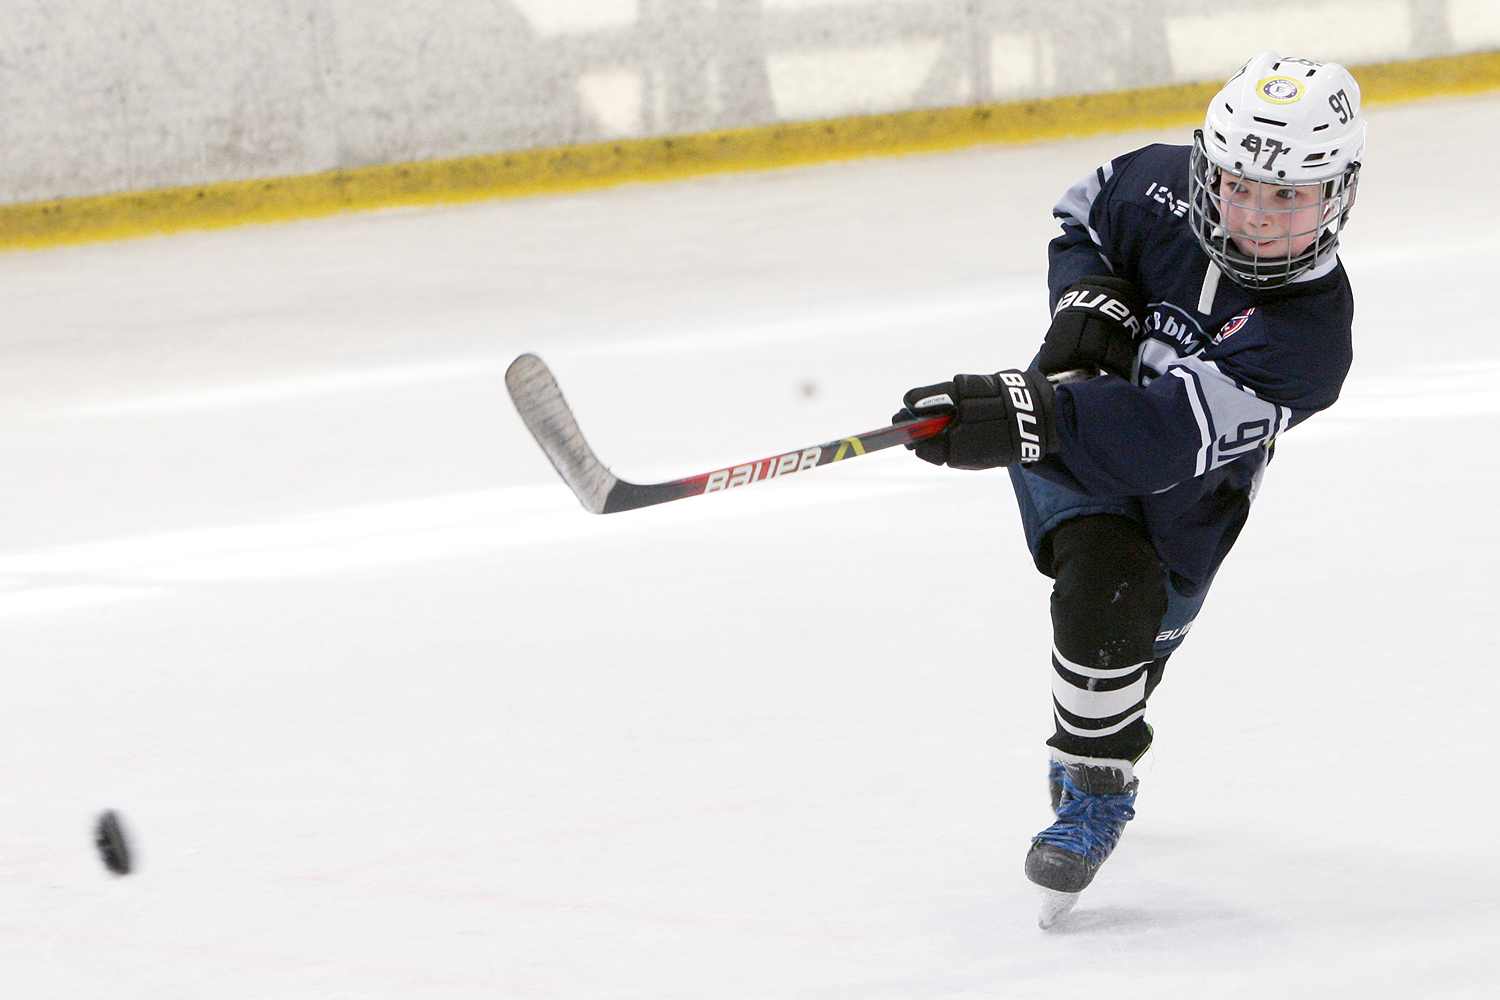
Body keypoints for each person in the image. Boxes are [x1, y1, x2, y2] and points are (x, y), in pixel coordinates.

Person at [892, 51, 1366, 924]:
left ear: (1337, 194)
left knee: (1136, 643)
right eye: (1236, 185)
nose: (1256, 216)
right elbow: (1083, 212)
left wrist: (1020, 416)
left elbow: (1159, 442)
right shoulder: (1154, 187)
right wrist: (1091, 298)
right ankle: (1099, 786)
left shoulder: (1308, 342)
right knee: (1106, 584)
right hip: (1072, 437)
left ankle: (1099, 730)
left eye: (1289, 196)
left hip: (1187, 502)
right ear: (1204, 167)